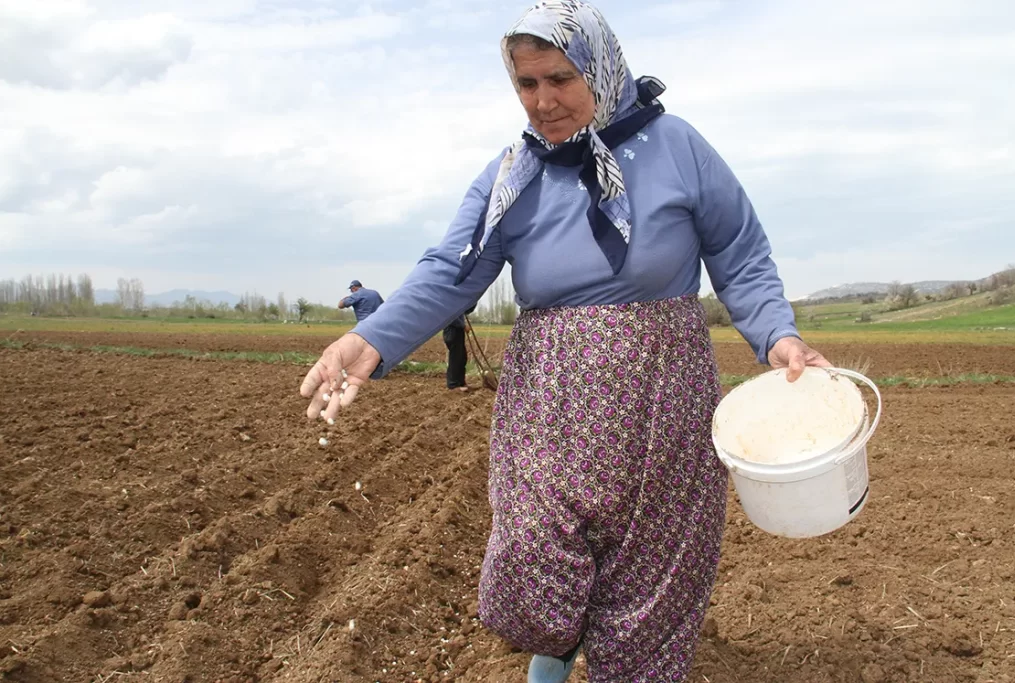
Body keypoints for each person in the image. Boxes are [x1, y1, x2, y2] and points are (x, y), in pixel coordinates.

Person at [301, 2, 830, 681]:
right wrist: (369, 340)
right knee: (535, 553)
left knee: (650, 581)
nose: (542, 101)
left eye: (559, 78)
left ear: (600, 67)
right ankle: (553, 654)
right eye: (526, 84)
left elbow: (740, 252)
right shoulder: (511, 175)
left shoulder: (678, 148)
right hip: (551, 406)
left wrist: (777, 336)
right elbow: (449, 270)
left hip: (662, 407)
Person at [443, 304, 477, 392]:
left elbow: (466, 310)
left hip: (457, 330)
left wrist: (474, 300)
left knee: (462, 357)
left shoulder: (458, 301)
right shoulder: (451, 301)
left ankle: (461, 382)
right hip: (452, 330)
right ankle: (453, 384)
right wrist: (463, 325)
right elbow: (452, 317)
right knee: (455, 357)